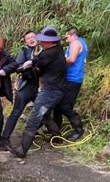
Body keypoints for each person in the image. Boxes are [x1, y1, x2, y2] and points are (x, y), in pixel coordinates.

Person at [9, 26, 67, 158]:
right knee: (45, 114)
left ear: (50, 42)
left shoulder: (48, 53)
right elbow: (40, 59)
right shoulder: (58, 49)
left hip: (49, 92)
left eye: (43, 41)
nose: (41, 42)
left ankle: (22, 150)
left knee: (34, 118)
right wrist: (33, 61)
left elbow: (38, 70)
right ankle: (57, 137)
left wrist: (31, 66)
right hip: (58, 91)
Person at [0, 31, 41, 148]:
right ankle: (5, 138)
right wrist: (26, 66)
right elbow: (17, 68)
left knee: (44, 110)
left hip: (39, 86)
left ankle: (37, 130)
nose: (31, 39)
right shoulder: (24, 51)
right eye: (28, 38)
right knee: (16, 112)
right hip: (25, 86)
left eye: (33, 37)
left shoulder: (43, 51)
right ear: (25, 41)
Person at [45, 28, 87, 141]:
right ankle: (56, 131)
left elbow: (71, 59)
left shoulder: (75, 43)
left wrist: (57, 61)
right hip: (70, 78)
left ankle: (79, 130)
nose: (66, 39)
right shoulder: (82, 42)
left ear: (72, 35)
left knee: (65, 106)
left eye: (67, 36)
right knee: (58, 105)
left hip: (72, 79)